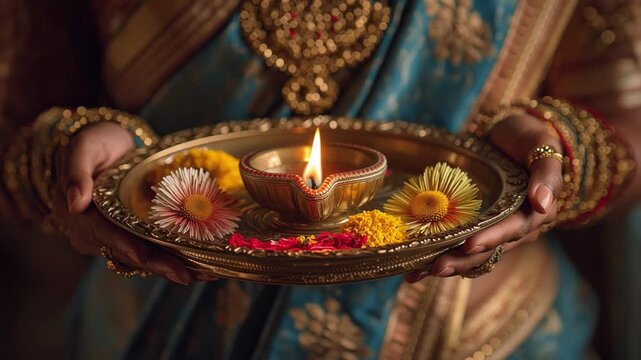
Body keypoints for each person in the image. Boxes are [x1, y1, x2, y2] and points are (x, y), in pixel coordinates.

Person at [1, 0, 640, 358]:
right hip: (164, 328)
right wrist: (65, 160)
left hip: (470, 335)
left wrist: (559, 155)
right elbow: (17, 109)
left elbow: (627, 120)